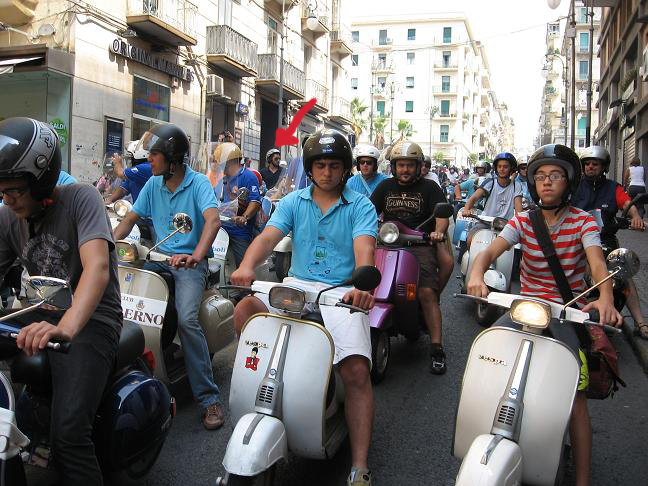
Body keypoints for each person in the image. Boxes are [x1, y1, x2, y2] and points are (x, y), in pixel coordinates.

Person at [467, 143, 623, 486]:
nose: (547, 182)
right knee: (487, 359)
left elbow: (597, 263)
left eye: (555, 176)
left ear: (569, 182)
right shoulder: (524, 220)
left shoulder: (583, 221)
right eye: (540, 176)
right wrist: (476, 274)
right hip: (524, 309)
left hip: (567, 314)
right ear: (533, 183)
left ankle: (582, 480)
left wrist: (606, 298)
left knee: (575, 399)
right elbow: (489, 252)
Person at [231, 129, 378, 486]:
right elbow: (268, 237)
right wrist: (246, 265)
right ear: (309, 169)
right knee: (245, 310)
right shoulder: (293, 202)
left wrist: (361, 286)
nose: (327, 172)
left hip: (341, 293)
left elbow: (365, 249)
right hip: (296, 287)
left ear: (345, 169)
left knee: (357, 371)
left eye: (334, 166)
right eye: (320, 165)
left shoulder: (360, 205)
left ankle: (359, 465)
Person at [0, 117, 122, 485]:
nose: (7, 199)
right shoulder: (8, 217)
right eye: (1, 190)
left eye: (14, 190)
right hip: (41, 312)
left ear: (41, 179)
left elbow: (98, 268)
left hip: (92, 319)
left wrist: (66, 328)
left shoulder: (81, 198)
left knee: (68, 436)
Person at [113, 123, 226, 430]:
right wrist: (105, 245)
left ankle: (208, 398)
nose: (148, 160)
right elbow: (129, 220)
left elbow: (213, 221)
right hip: (159, 259)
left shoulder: (198, 183)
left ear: (173, 159)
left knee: (187, 320)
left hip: (190, 264)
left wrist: (196, 255)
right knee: (124, 304)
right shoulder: (153, 184)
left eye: (154, 155)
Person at [371, 141, 453, 374]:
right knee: (368, 284)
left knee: (426, 293)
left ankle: (437, 348)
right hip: (387, 242)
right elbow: (369, 210)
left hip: (420, 244)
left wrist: (438, 232)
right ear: (394, 167)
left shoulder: (429, 187)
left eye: (409, 165)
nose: (404, 170)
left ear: (418, 167)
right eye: (400, 165)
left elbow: (442, 214)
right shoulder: (385, 186)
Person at [572, 146, 647, 339]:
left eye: (595, 164)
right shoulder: (574, 186)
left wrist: (636, 216)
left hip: (605, 239)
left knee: (624, 270)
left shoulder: (613, 188)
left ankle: (640, 322)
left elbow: (627, 203)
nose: (590, 167)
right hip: (578, 240)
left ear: (604, 167)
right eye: (587, 164)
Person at [215, 143, 262, 267]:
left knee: (243, 266)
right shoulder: (222, 180)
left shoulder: (249, 177)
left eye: (221, 162)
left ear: (229, 161)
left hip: (239, 230)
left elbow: (255, 202)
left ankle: (244, 277)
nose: (219, 166)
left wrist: (244, 217)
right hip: (220, 227)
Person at [463, 152, 523, 247]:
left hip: (507, 225)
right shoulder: (490, 183)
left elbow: (518, 206)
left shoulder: (517, 185)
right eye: (499, 166)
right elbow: (473, 198)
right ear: (496, 168)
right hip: (485, 222)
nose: (502, 169)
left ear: (511, 169)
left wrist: (520, 221)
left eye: (505, 167)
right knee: (471, 240)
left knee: (518, 247)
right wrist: (466, 209)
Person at [104, 140, 153, 204]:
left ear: (139, 154)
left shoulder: (145, 167)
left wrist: (117, 163)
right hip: (137, 208)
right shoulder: (133, 174)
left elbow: (120, 173)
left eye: (131, 157)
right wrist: (109, 200)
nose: (129, 160)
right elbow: (123, 189)